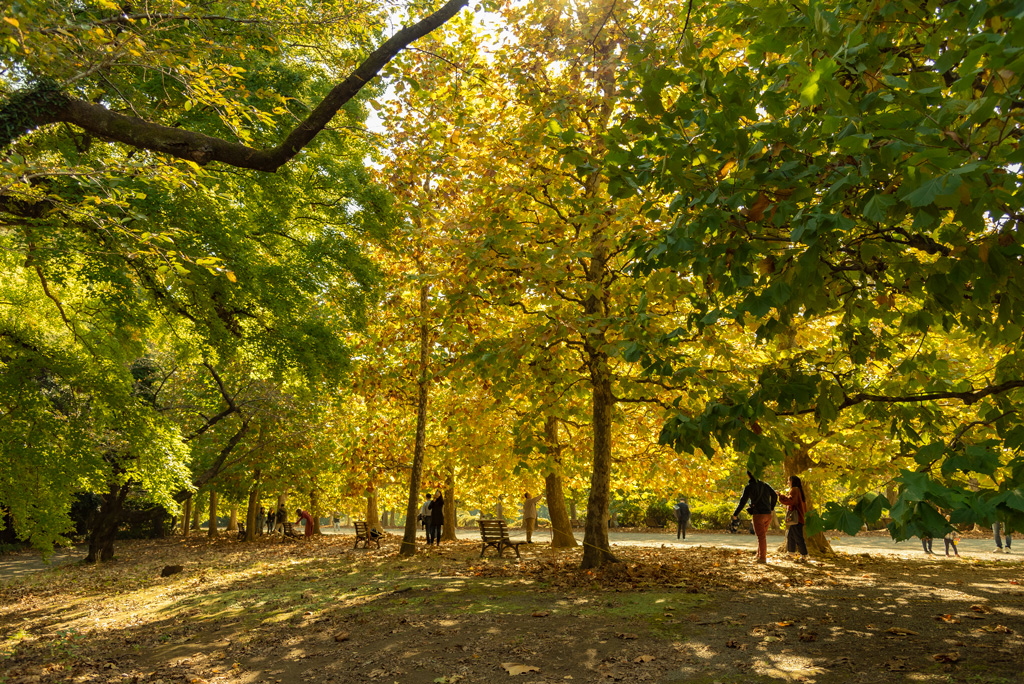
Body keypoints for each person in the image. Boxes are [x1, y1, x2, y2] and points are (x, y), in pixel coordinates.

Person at [732, 471, 777, 564]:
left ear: (748, 475)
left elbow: (742, 502)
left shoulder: (749, 487)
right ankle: (759, 554)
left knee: (761, 536)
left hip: (758, 514)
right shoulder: (765, 485)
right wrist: (771, 507)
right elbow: (774, 495)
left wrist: (735, 514)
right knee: (762, 535)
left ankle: (763, 558)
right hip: (768, 514)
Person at [778, 476, 808, 559]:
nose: (788, 482)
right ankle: (791, 553)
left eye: (789, 481)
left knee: (798, 537)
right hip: (799, 517)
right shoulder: (799, 490)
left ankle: (804, 555)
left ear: (792, 481)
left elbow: (791, 501)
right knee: (790, 535)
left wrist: (780, 496)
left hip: (797, 518)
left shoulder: (794, 489)